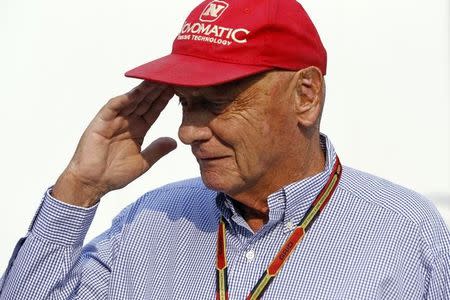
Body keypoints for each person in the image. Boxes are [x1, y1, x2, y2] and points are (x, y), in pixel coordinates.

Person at [1, 0, 449, 299]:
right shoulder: (148, 221)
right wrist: (79, 188)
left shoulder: (408, 233)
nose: (188, 132)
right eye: (185, 103)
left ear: (305, 96)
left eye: (216, 103)